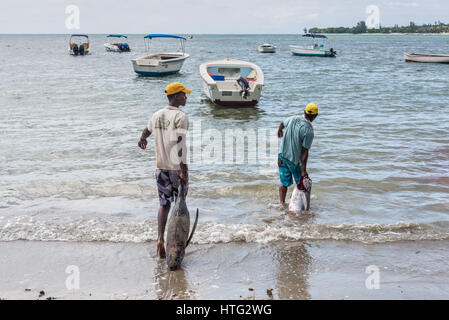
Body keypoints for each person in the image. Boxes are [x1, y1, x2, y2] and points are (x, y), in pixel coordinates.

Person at [138, 82, 191, 258]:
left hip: (160, 168)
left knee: (164, 204)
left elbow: (146, 131)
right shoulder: (180, 116)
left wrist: (142, 139)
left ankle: (160, 239)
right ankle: (175, 244)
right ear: (176, 96)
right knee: (179, 206)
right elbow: (180, 144)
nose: (186, 97)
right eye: (184, 94)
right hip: (176, 168)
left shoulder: (157, 115)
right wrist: (183, 169)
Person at [277, 103, 318, 205]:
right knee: (301, 185)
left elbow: (282, 123)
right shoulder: (309, 130)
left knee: (284, 184)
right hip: (294, 161)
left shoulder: (293, 118)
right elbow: (305, 151)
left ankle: (282, 204)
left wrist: (279, 131)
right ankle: (299, 206)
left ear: (304, 111)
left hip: (282, 156)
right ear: (315, 116)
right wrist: (303, 170)